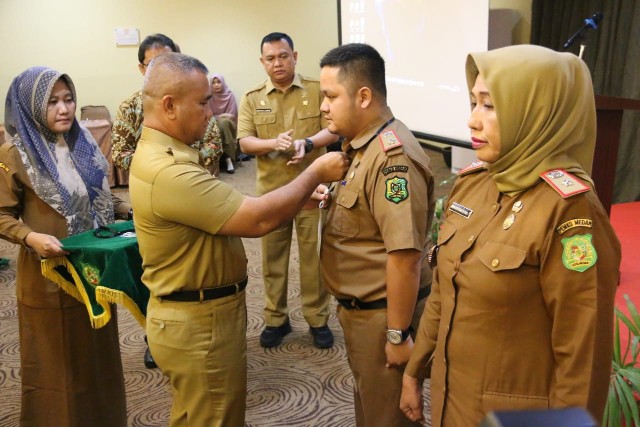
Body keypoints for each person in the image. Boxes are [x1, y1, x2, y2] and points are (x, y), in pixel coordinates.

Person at [400, 45, 622, 426]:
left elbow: (582, 358)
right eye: (473, 102)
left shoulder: (570, 211)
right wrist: (413, 371)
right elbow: (443, 291)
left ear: (536, 113)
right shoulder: (473, 185)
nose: (472, 120)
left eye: (490, 105)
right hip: (452, 403)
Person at [129, 52, 349, 427]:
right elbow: (258, 219)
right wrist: (315, 173)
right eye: (201, 103)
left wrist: (295, 196)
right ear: (169, 106)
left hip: (196, 316)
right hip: (198, 325)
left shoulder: (167, 155)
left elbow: (229, 206)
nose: (210, 112)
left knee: (198, 415)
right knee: (216, 417)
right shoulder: (168, 169)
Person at [1, 66, 130, 426]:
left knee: (97, 359)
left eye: (69, 99)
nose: (64, 109)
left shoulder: (82, 143)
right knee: (58, 368)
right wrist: (30, 237)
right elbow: (1, 214)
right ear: (29, 108)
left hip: (93, 269)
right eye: (52, 102)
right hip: (49, 279)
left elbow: (96, 198)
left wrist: (123, 208)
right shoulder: (15, 154)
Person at [316, 43, 435, 427]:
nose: (323, 106)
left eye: (331, 96)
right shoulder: (362, 146)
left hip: (383, 317)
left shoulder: (391, 159)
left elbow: (404, 256)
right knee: (371, 408)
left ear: (363, 96)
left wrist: (398, 335)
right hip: (362, 314)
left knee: (387, 417)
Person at [238, 32, 340, 349]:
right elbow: (244, 141)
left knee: (314, 258)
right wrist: (273, 143)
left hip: (312, 190)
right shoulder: (253, 97)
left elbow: (334, 127)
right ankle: (275, 319)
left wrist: (308, 143)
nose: (277, 63)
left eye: (283, 56)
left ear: (295, 56)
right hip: (272, 194)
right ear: (262, 62)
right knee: (272, 259)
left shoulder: (315, 89)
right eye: (270, 58)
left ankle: (317, 319)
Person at [112, 33, 223, 176]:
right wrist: (163, 168)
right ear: (142, 68)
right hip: (153, 182)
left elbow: (214, 143)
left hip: (195, 178)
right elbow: (120, 154)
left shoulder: (191, 100)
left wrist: (186, 164)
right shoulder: (129, 107)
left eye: (169, 64)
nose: (163, 71)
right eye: (154, 64)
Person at [208, 73, 239, 174]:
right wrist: (220, 116)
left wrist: (219, 117)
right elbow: (208, 115)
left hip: (229, 125)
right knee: (220, 124)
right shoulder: (208, 97)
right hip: (212, 124)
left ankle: (225, 159)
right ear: (210, 85)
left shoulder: (230, 95)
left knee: (224, 123)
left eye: (219, 82)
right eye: (214, 83)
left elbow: (232, 115)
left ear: (223, 83)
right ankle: (228, 159)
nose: (216, 85)